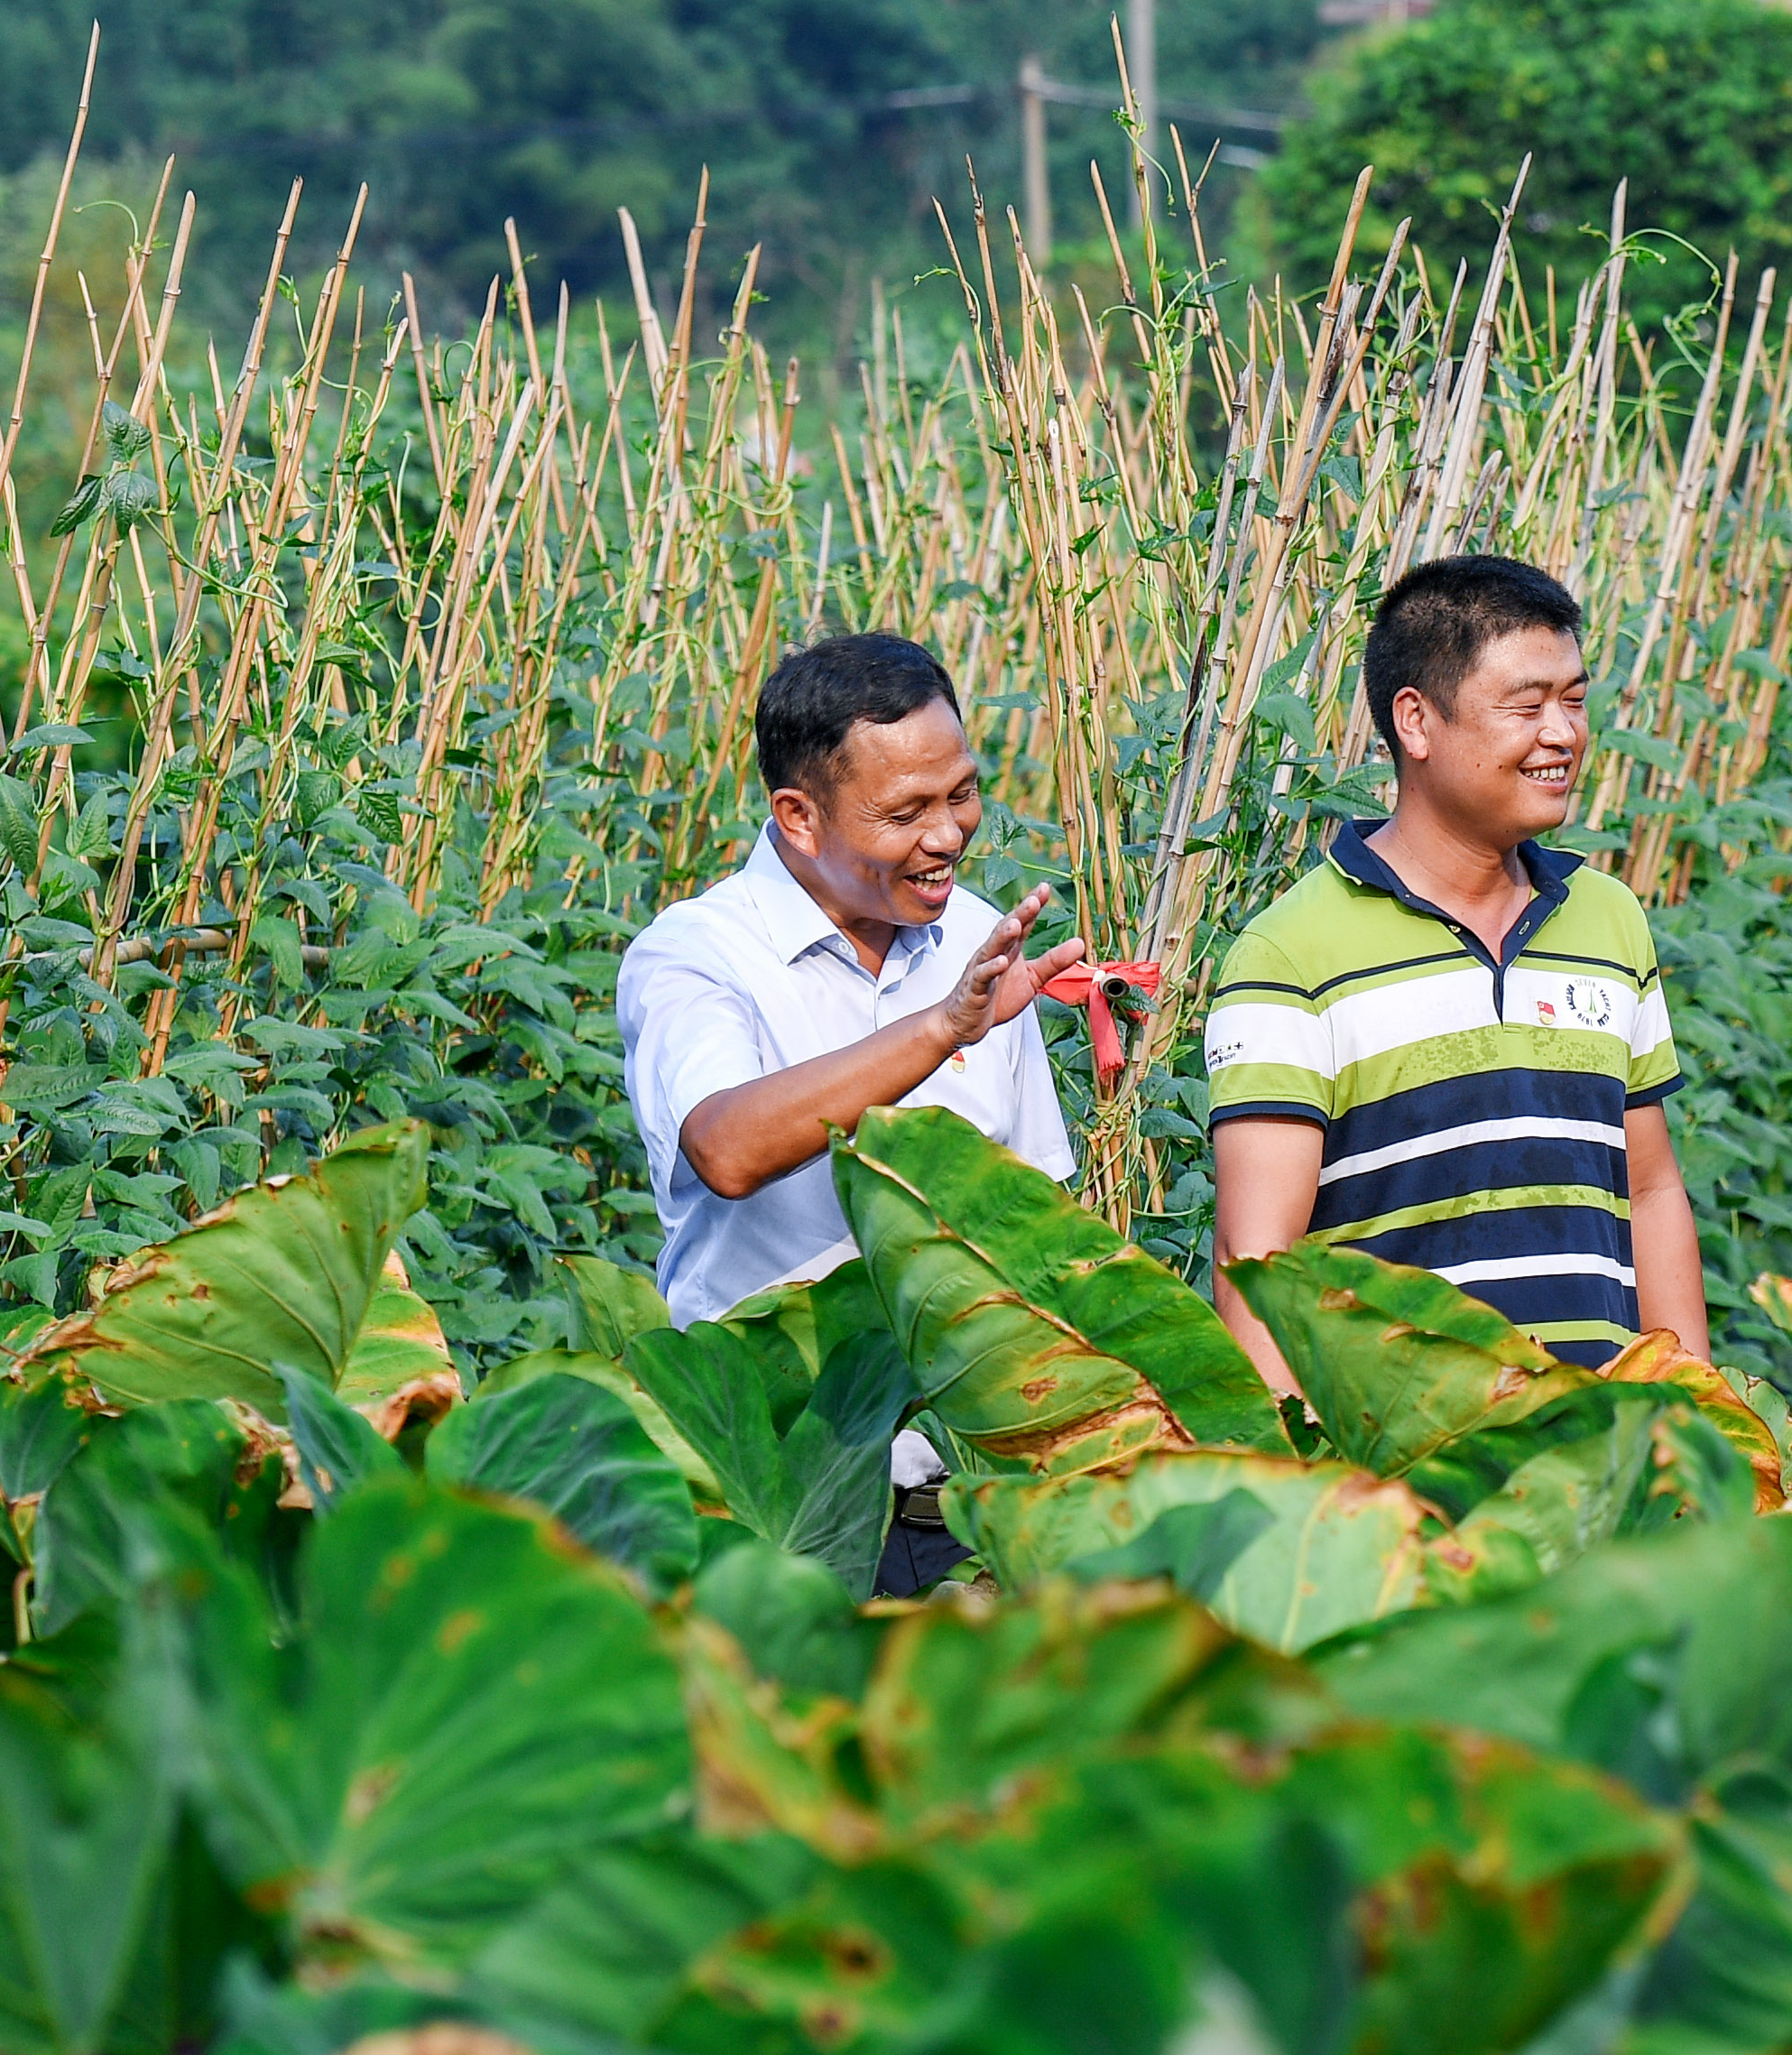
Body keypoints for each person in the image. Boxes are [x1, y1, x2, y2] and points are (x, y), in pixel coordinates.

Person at [615, 631, 1086, 1589]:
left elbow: (1038, 1216)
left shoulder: (974, 933)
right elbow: (726, 1146)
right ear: (798, 815)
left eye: (960, 793)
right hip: (766, 1498)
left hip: (958, 1501)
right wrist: (943, 1027)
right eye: (905, 810)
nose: (949, 834)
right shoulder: (697, 956)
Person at [1206, 554, 1705, 1381]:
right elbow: (1254, 1259)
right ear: (1417, 721)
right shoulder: (1290, 956)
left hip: (1605, 1463)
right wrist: (1300, 1483)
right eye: (1526, 706)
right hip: (1404, 1476)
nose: (1564, 734)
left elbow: (1649, 1194)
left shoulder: (1609, 920)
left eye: (1575, 701)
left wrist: (1698, 1424)